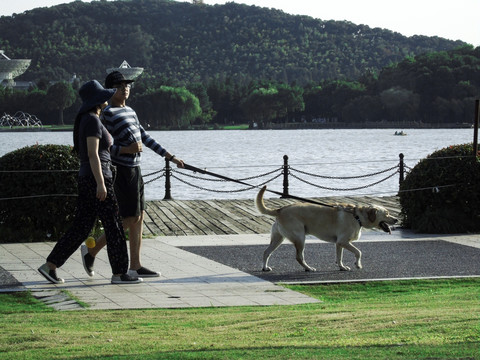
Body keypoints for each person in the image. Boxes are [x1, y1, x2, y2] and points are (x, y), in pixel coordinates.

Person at [81, 71, 185, 278]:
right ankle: (91, 251)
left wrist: (170, 157)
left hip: (136, 169)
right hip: (121, 171)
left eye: (127, 85)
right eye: (120, 86)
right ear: (111, 90)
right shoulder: (107, 114)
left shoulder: (130, 111)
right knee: (130, 218)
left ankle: (135, 265)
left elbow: (145, 138)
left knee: (140, 217)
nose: (125, 88)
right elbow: (103, 148)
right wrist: (126, 150)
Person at [38, 80, 143, 285]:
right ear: (97, 100)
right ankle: (120, 273)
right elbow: (93, 155)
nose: (107, 98)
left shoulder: (87, 119)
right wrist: (101, 184)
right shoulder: (92, 121)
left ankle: (50, 266)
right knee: (114, 226)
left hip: (89, 179)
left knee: (81, 227)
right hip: (97, 179)